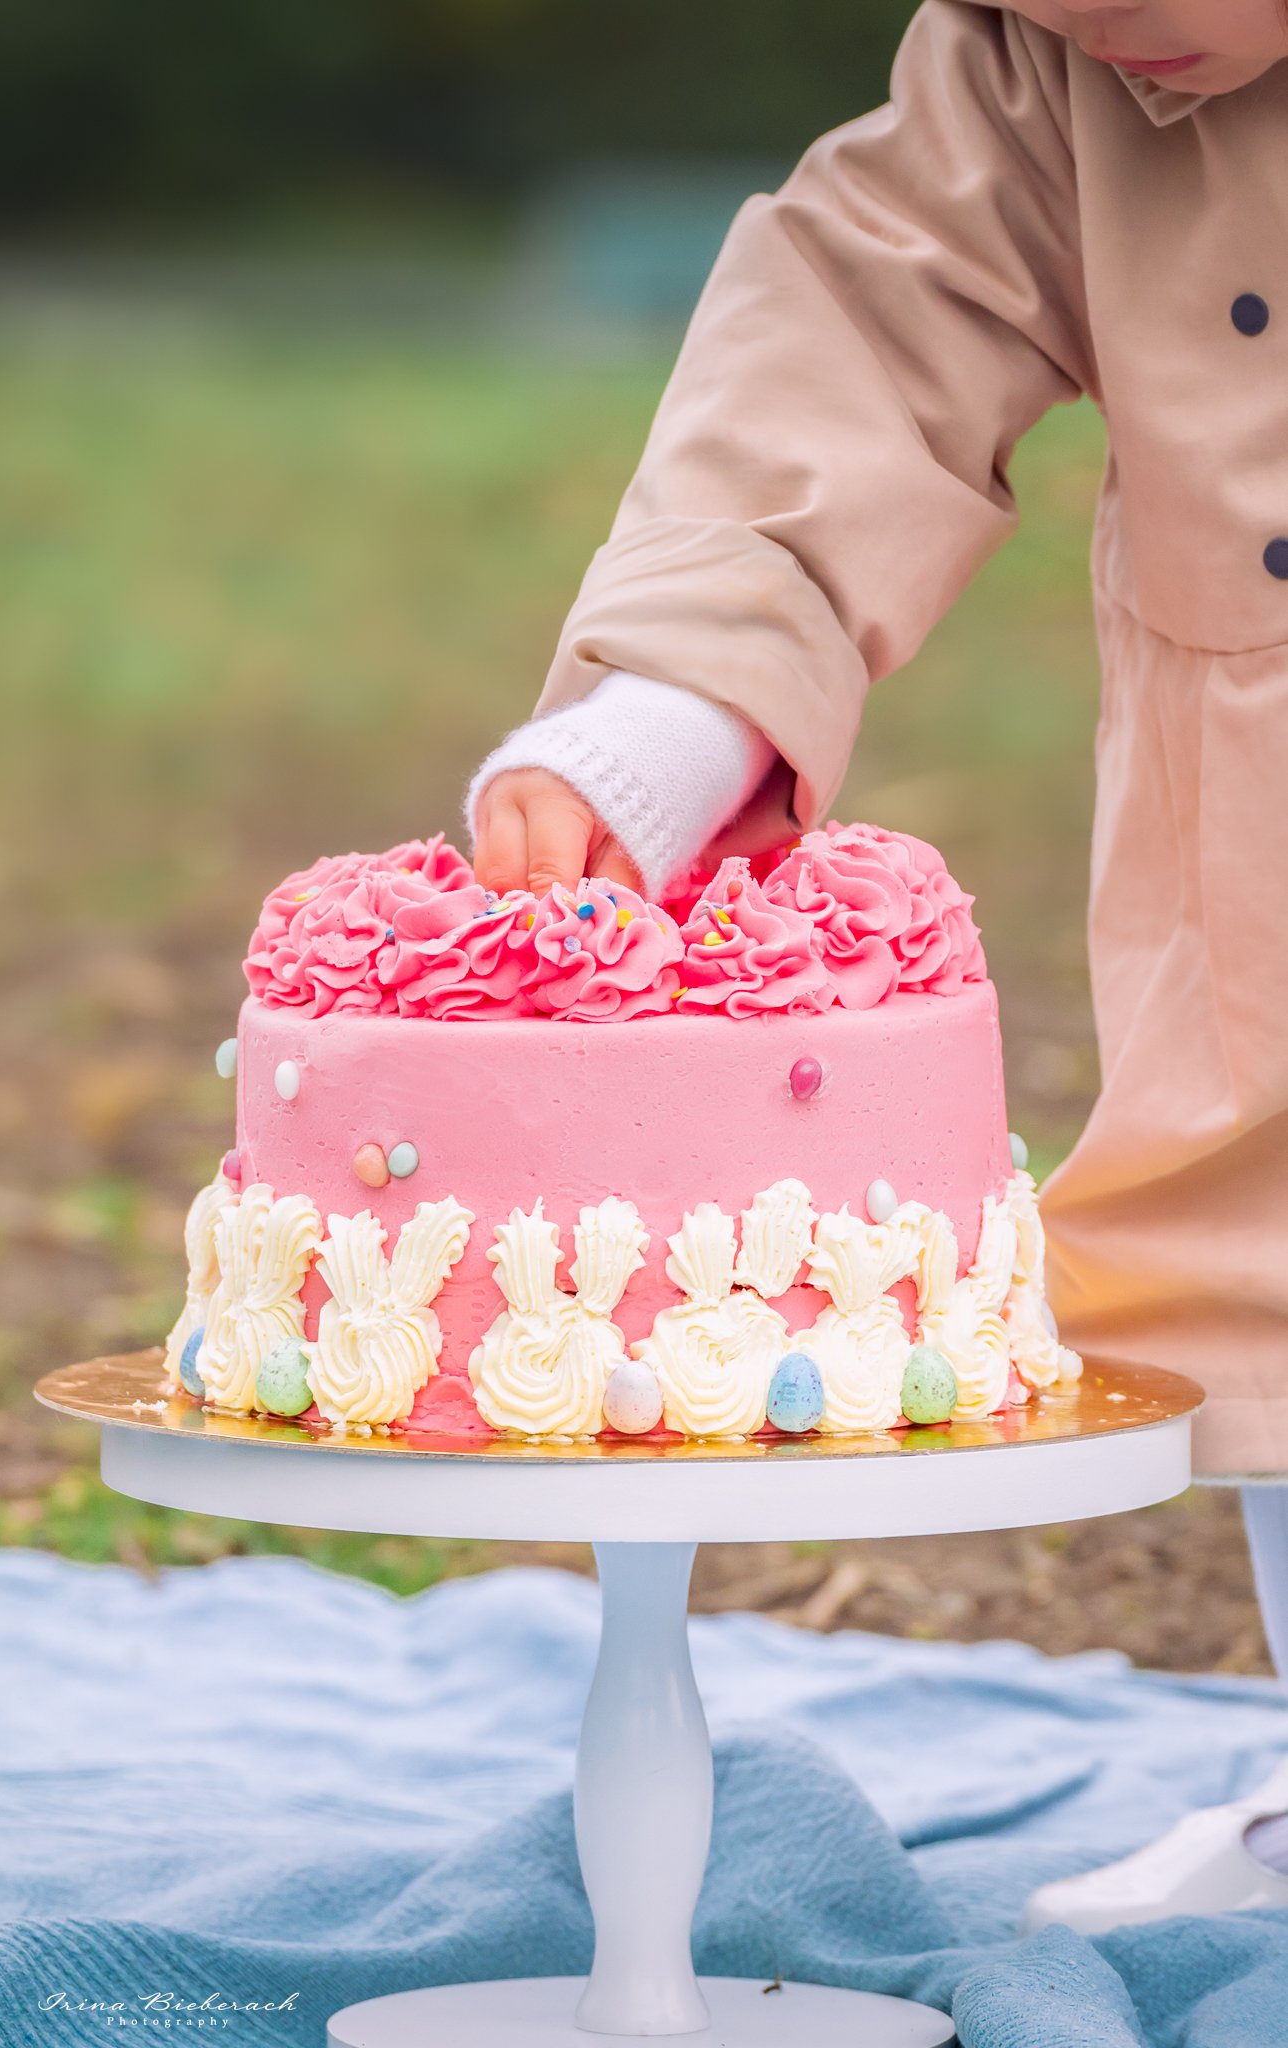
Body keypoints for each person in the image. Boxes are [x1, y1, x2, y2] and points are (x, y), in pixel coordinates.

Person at [468, 0, 1288, 1923]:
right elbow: (866, 314)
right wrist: (679, 708)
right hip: (1248, 814)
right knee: (1272, 1237)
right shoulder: (1048, 59)